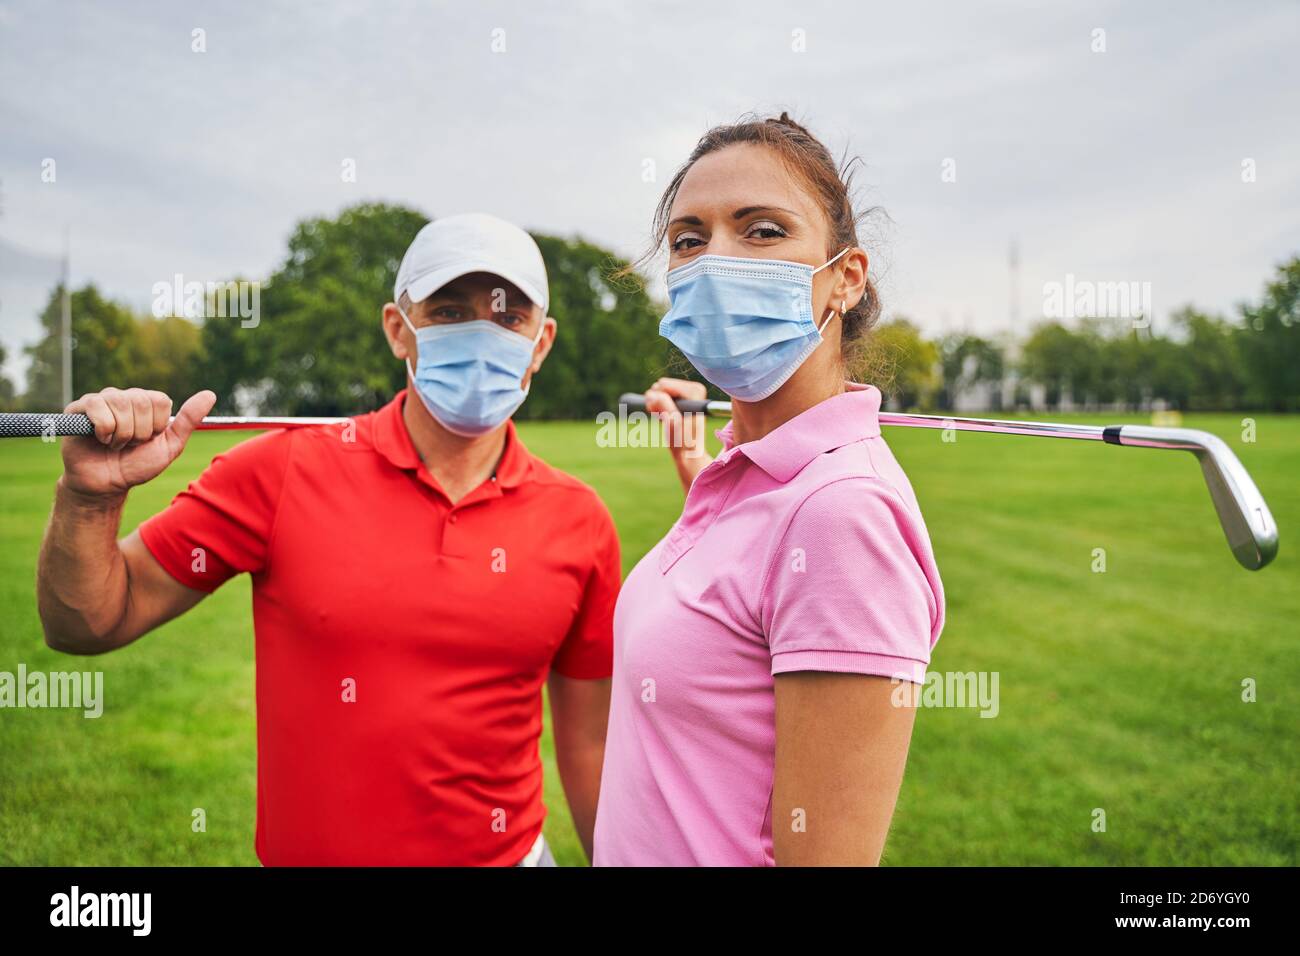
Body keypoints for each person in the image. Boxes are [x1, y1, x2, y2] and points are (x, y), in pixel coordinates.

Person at [36, 213, 620, 867]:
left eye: (508, 318)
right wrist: (90, 498)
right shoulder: (279, 470)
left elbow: (590, 744)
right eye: (450, 311)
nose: (480, 333)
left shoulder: (581, 520)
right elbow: (87, 622)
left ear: (540, 343)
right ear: (400, 329)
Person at [593, 115, 945, 866]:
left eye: (761, 231)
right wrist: (711, 481)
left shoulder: (841, 515)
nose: (715, 259)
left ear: (846, 277)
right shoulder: (751, 476)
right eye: (689, 239)